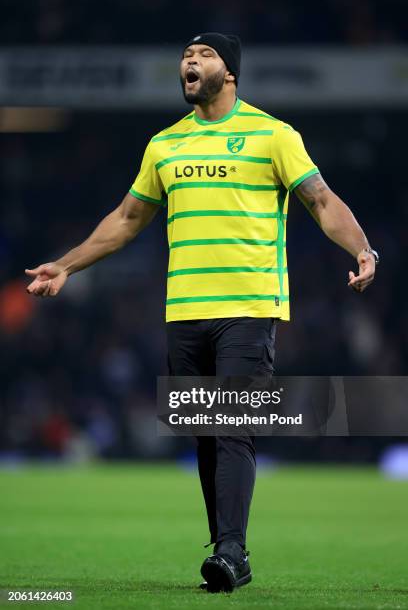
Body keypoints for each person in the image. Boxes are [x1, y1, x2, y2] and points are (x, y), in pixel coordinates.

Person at [26, 32, 378, 593]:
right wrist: (67, 265)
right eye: (186, 56)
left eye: (204, 55)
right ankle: (224, 551)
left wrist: (362, 248)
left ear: (230, 73)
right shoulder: (165, 145)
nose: (190, 62)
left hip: (248, 305)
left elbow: (321, 200)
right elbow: (126, 219)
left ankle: (234, 551)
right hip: (184, 312)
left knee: (233, 427)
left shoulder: (273, 135)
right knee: (206, 434)